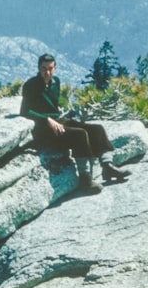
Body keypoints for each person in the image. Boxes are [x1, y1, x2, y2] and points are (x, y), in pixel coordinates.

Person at [20, 53, 131, 194]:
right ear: (38, 68)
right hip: (42, 129)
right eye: (43, 69)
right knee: (80, 134)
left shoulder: (56, 82)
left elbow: (52, 108)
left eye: (50, 68)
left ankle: (107, 167)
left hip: (58, 121)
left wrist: (57, 119)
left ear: (55, 68)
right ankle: (85, 180)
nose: (47, 72)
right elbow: (24, 112)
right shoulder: (31, 85)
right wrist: (47, 120)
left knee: (97, 129)